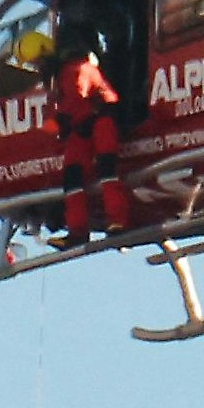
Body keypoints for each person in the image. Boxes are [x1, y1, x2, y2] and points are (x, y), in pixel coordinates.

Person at [47, 31, 131, 246]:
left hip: (99, 122)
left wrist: (66, 120)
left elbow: (77, 97)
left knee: (107, 168)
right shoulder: (65, 75)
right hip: (81, 127)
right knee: (72, 176)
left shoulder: (77, 69)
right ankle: (77, 231)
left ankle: (116, 220)